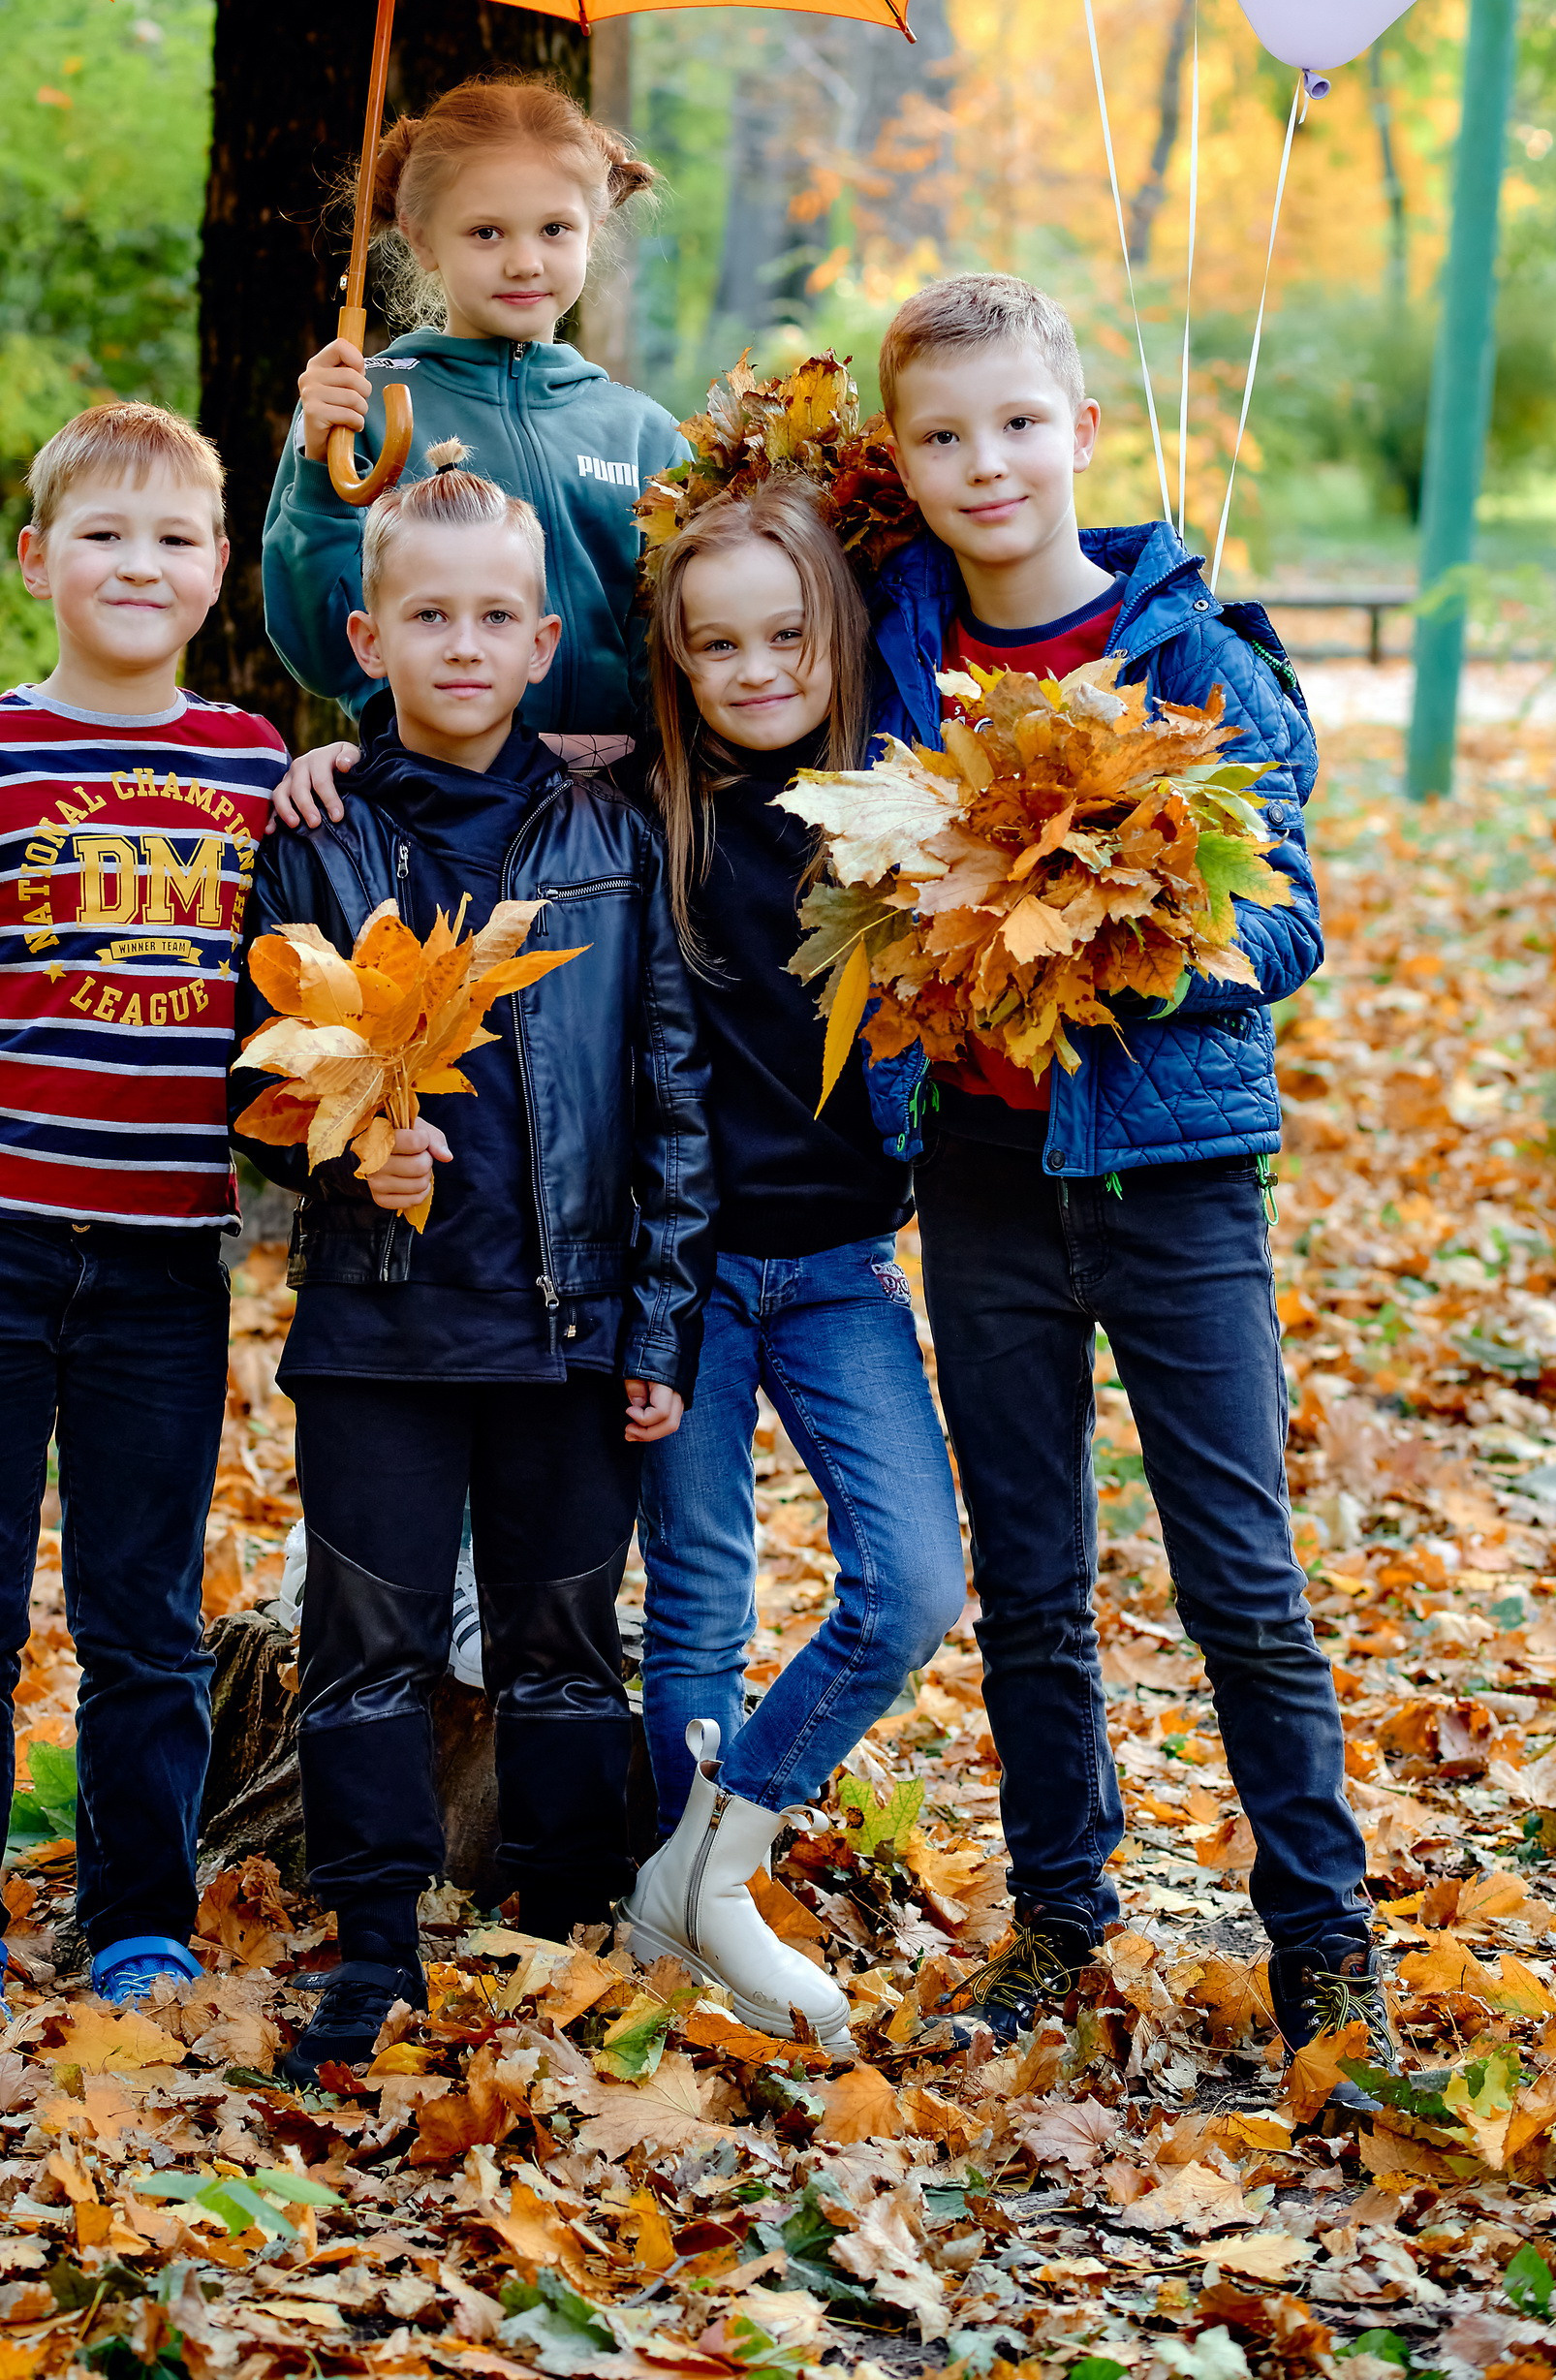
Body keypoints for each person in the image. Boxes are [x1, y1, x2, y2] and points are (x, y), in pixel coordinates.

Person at [858, 273, 1390, 2080]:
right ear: (904, 465)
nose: (983, 460)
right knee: (1030, 1569)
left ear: (1082, 432)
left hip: (1170, 1172)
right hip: (990, 1173)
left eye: (1016, 423)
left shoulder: (1192, 655)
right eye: (941, 435)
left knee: (1237, 1568)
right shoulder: (895, 645)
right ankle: (1063, 1914)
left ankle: (1323, 1941)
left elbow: (1294, 916)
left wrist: (1141, 939)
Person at [231, 443, 714, 2077]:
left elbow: (670, 1089)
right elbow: (256, 1074)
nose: (459, 645)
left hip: (565, 1323)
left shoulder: (610, 833)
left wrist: (659, 1322)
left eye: (493, 617)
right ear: (367, 642)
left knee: (565, 1637)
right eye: (425, 616)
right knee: (365, 1643)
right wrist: (339, 1142)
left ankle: (561, 1926)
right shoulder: (318, 835)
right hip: (377, 1329)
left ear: (540, 640)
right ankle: (372, 1937)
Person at [0, 401, 285, 2042]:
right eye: (104, 534)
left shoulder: (251, 769)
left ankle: (137, 1921)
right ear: (40, 559)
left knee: (143, 1619)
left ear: (220, 570)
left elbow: (295, 1016)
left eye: (174, 537)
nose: (139, 563)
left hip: (167, 1257)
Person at [623, 482, 965, 2055]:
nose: (756, 668)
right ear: (677, 665)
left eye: (786, 635)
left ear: (836, 635)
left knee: (910, 1585)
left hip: (838, 1265)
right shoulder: (645, 818)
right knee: (698, 1586)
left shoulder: (900, 820)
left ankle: (711, 1861)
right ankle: (672, 1916)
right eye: (717, 647)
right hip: (684, 1276)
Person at [261, 77, 685, 745]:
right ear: (422, 239)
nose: (524, 261)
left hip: (613, 811)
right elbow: (322, 653)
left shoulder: (644, 434)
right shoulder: (359, 407)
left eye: (554, 229)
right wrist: (320, 473)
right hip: (428, 802)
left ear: (594, 228)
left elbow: (680, 652)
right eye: (486, 232)